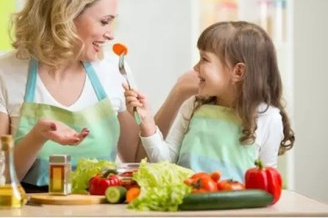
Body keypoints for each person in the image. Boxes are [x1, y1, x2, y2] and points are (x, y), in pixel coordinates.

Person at [0, 0, 198, 193]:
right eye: (104, 22)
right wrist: (37, 137)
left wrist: (177, 94)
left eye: (112, 22)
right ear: (65, 15)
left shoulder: (112, 70)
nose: (111, 33)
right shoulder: (1, 73)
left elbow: (138, 159)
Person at [124, 21, 295, 183]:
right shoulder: (193, 106)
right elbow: (165, 163)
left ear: (238, 71)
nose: (196, 67)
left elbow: (266, 181)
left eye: (204, 59)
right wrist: (147, 124)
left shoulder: (269, 118)